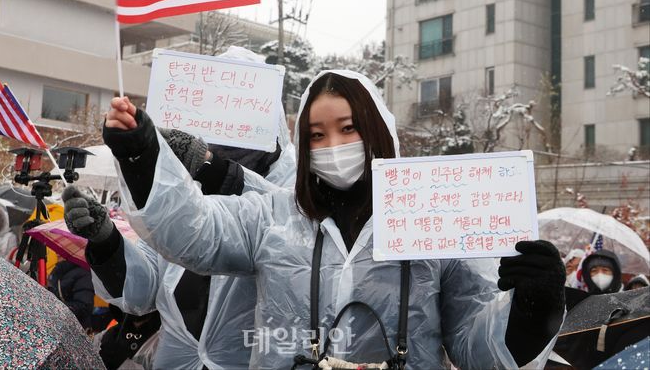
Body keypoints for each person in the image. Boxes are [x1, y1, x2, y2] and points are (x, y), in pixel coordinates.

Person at [87, 70, 565, 368]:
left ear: (376, 131)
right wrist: (141, 152)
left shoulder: (430, 218)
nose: (333, 146)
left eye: (348, 128)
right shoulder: (274, 215)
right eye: (316, 135)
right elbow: (190, 231)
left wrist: (531, 309)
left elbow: (474, 347)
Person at [63, 115, 295, 368]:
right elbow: (141, 292)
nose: (226, 139)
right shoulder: (185, 193)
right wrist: (106, 242)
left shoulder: (296, 188)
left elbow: (289, 233)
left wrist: (215, 170)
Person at [48, 259, 95, 329]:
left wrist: (55, 307)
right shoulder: (60, 269)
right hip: (55, 321)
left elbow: (83, 306)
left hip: (70, 327)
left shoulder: (85, 275)